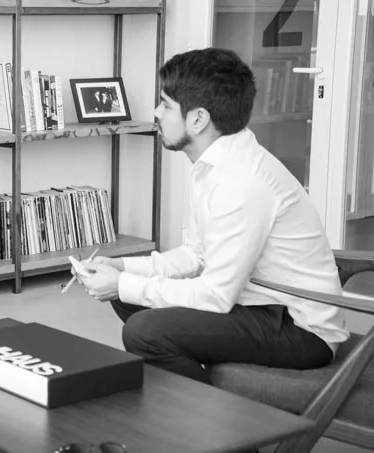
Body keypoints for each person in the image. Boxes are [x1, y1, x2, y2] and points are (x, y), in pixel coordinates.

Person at [71, 48, 349, 384]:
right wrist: (123, 269)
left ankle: (202, 412)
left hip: (298, 327)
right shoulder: (212, 164)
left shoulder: (242, 182)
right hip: (253, 302)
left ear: (199, 119)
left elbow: (216, 296)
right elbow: (197, 255)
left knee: (144, 330)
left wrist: (123, 284)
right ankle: (188, 384)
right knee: (128, 298)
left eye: (166, 105)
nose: (156, 113)